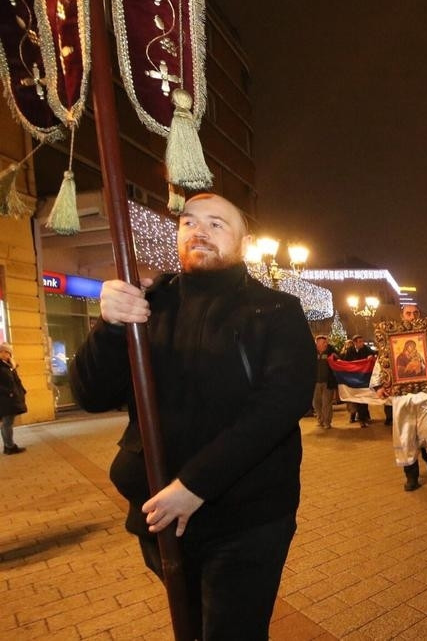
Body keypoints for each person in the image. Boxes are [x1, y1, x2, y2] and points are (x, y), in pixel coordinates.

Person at [69, 193, 314, 639]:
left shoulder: (276, 311)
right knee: (191, 626)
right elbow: (91, 394)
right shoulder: (150, 305)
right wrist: (110, 326)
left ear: (245, 241)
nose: (199, 230)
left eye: (217, 224)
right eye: (188, 222)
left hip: (247, 519)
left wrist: (194, 485)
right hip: (160, 514)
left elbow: (279, 406)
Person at [373, 304, 427, 491]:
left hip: (425, 395)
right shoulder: (393, 338)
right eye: (408, 313)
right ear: (402, 316)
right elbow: (383, 362)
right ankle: (411, 475)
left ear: (419, 315)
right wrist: (380, 386)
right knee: (405, 437)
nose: (412, 316)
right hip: (402, 397)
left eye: (415, 313)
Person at [342, 334, 376, 427]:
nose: (362, 343)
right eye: (360, 341)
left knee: (364, 398)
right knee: (356, 399)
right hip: (354, 378)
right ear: (355, 343)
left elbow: (373, 352)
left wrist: (371, 356)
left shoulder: (365, 348)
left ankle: (363, 418)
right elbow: (346, 362)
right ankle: (358, 417)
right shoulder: (350, 350)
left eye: (362, 341)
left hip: (364, 378)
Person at [1, 342, 27, 455]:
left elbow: (16, 381)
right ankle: (9, 447)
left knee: (8, 422)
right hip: (4, 398)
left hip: (10, 398)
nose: (4, 354)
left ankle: (8, 446)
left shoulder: (9, 365)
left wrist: (22, 390)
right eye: (2, 351)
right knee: (7, 423)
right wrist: (9, 392)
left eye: (7, 352)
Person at [313, 335, 337, 429]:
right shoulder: (312, 353)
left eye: (326, 342)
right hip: (315, 383)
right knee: (316, 403)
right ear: (317, 344)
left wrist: (336, 356)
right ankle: (320, 420)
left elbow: (339, 359)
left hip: (328, 382)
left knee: (326, 403)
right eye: (323, 343)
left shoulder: (330, 351)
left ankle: (327, 422)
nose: (325, 344)